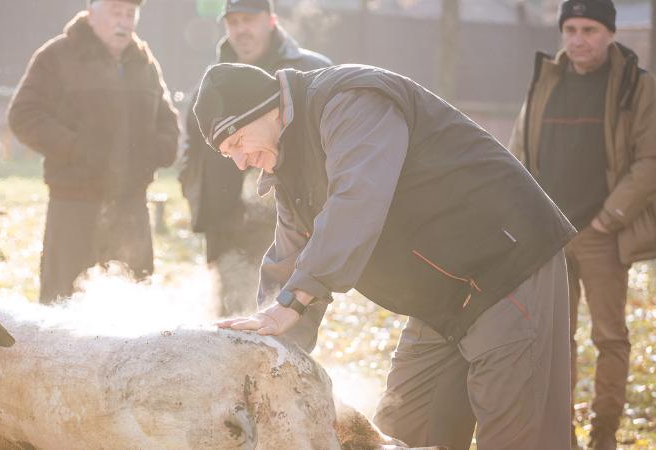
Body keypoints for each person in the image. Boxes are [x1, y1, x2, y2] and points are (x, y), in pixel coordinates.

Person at [194, 62, 576, 449]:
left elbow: (358, 200)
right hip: (442, 300)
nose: (241, 162)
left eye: (238, 141)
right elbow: (289, 261)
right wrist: (264, 353)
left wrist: (295, 299)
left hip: (505, 266)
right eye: (228, 154)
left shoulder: (350, 100)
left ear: (268, 109)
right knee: (399, 431)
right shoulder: (287, 168)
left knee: (519, 436)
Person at [508, 1, 656, 448]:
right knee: (555, 341)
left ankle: (604, 435)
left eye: (589, 29)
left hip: (602, 234)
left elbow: (649, 160)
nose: (578, 39)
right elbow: (518, 152)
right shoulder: (546, 79)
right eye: (570, 29)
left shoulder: (636, 85)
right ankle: (563, 436)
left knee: (610, 337)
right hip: (550, 234)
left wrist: (609, 218)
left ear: (610, 33)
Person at [8, 0, 179, 304]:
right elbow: (23, 115)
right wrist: (77, 149)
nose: (123, 21)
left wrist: (154, 152)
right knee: (65, 303)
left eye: (130, 14)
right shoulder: (58, 55)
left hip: (131, 207)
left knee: (132, 305)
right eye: (116, 12)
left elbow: (167, 121)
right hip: (75, 204)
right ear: (91, 14)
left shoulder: (144, 61)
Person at [179, 0, 330, 317]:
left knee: (288, 312)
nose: (240, 29)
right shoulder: (214, 77)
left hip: (286, 221)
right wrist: (191, 186)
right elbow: (192, 140)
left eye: (249, 20)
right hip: (225, 220)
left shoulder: (308, 69)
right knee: (229, 315)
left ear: (271, 20)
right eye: (233, 22)